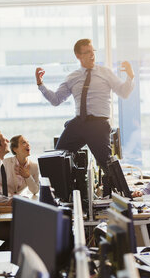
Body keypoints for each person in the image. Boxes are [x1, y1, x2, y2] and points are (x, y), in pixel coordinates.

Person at [35, 38, 134, 195]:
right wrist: (41, 85)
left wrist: (129, 77)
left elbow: (124, 92)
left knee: (106, 162)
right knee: (57, 156)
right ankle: (57, 194)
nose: (92, 55)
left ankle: (126, 194)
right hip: (78, 123)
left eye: (92, 51)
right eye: (87, 52)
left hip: (98, 125)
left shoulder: (105, 73)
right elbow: (56, 100)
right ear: (78, 55)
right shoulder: (72, 77)